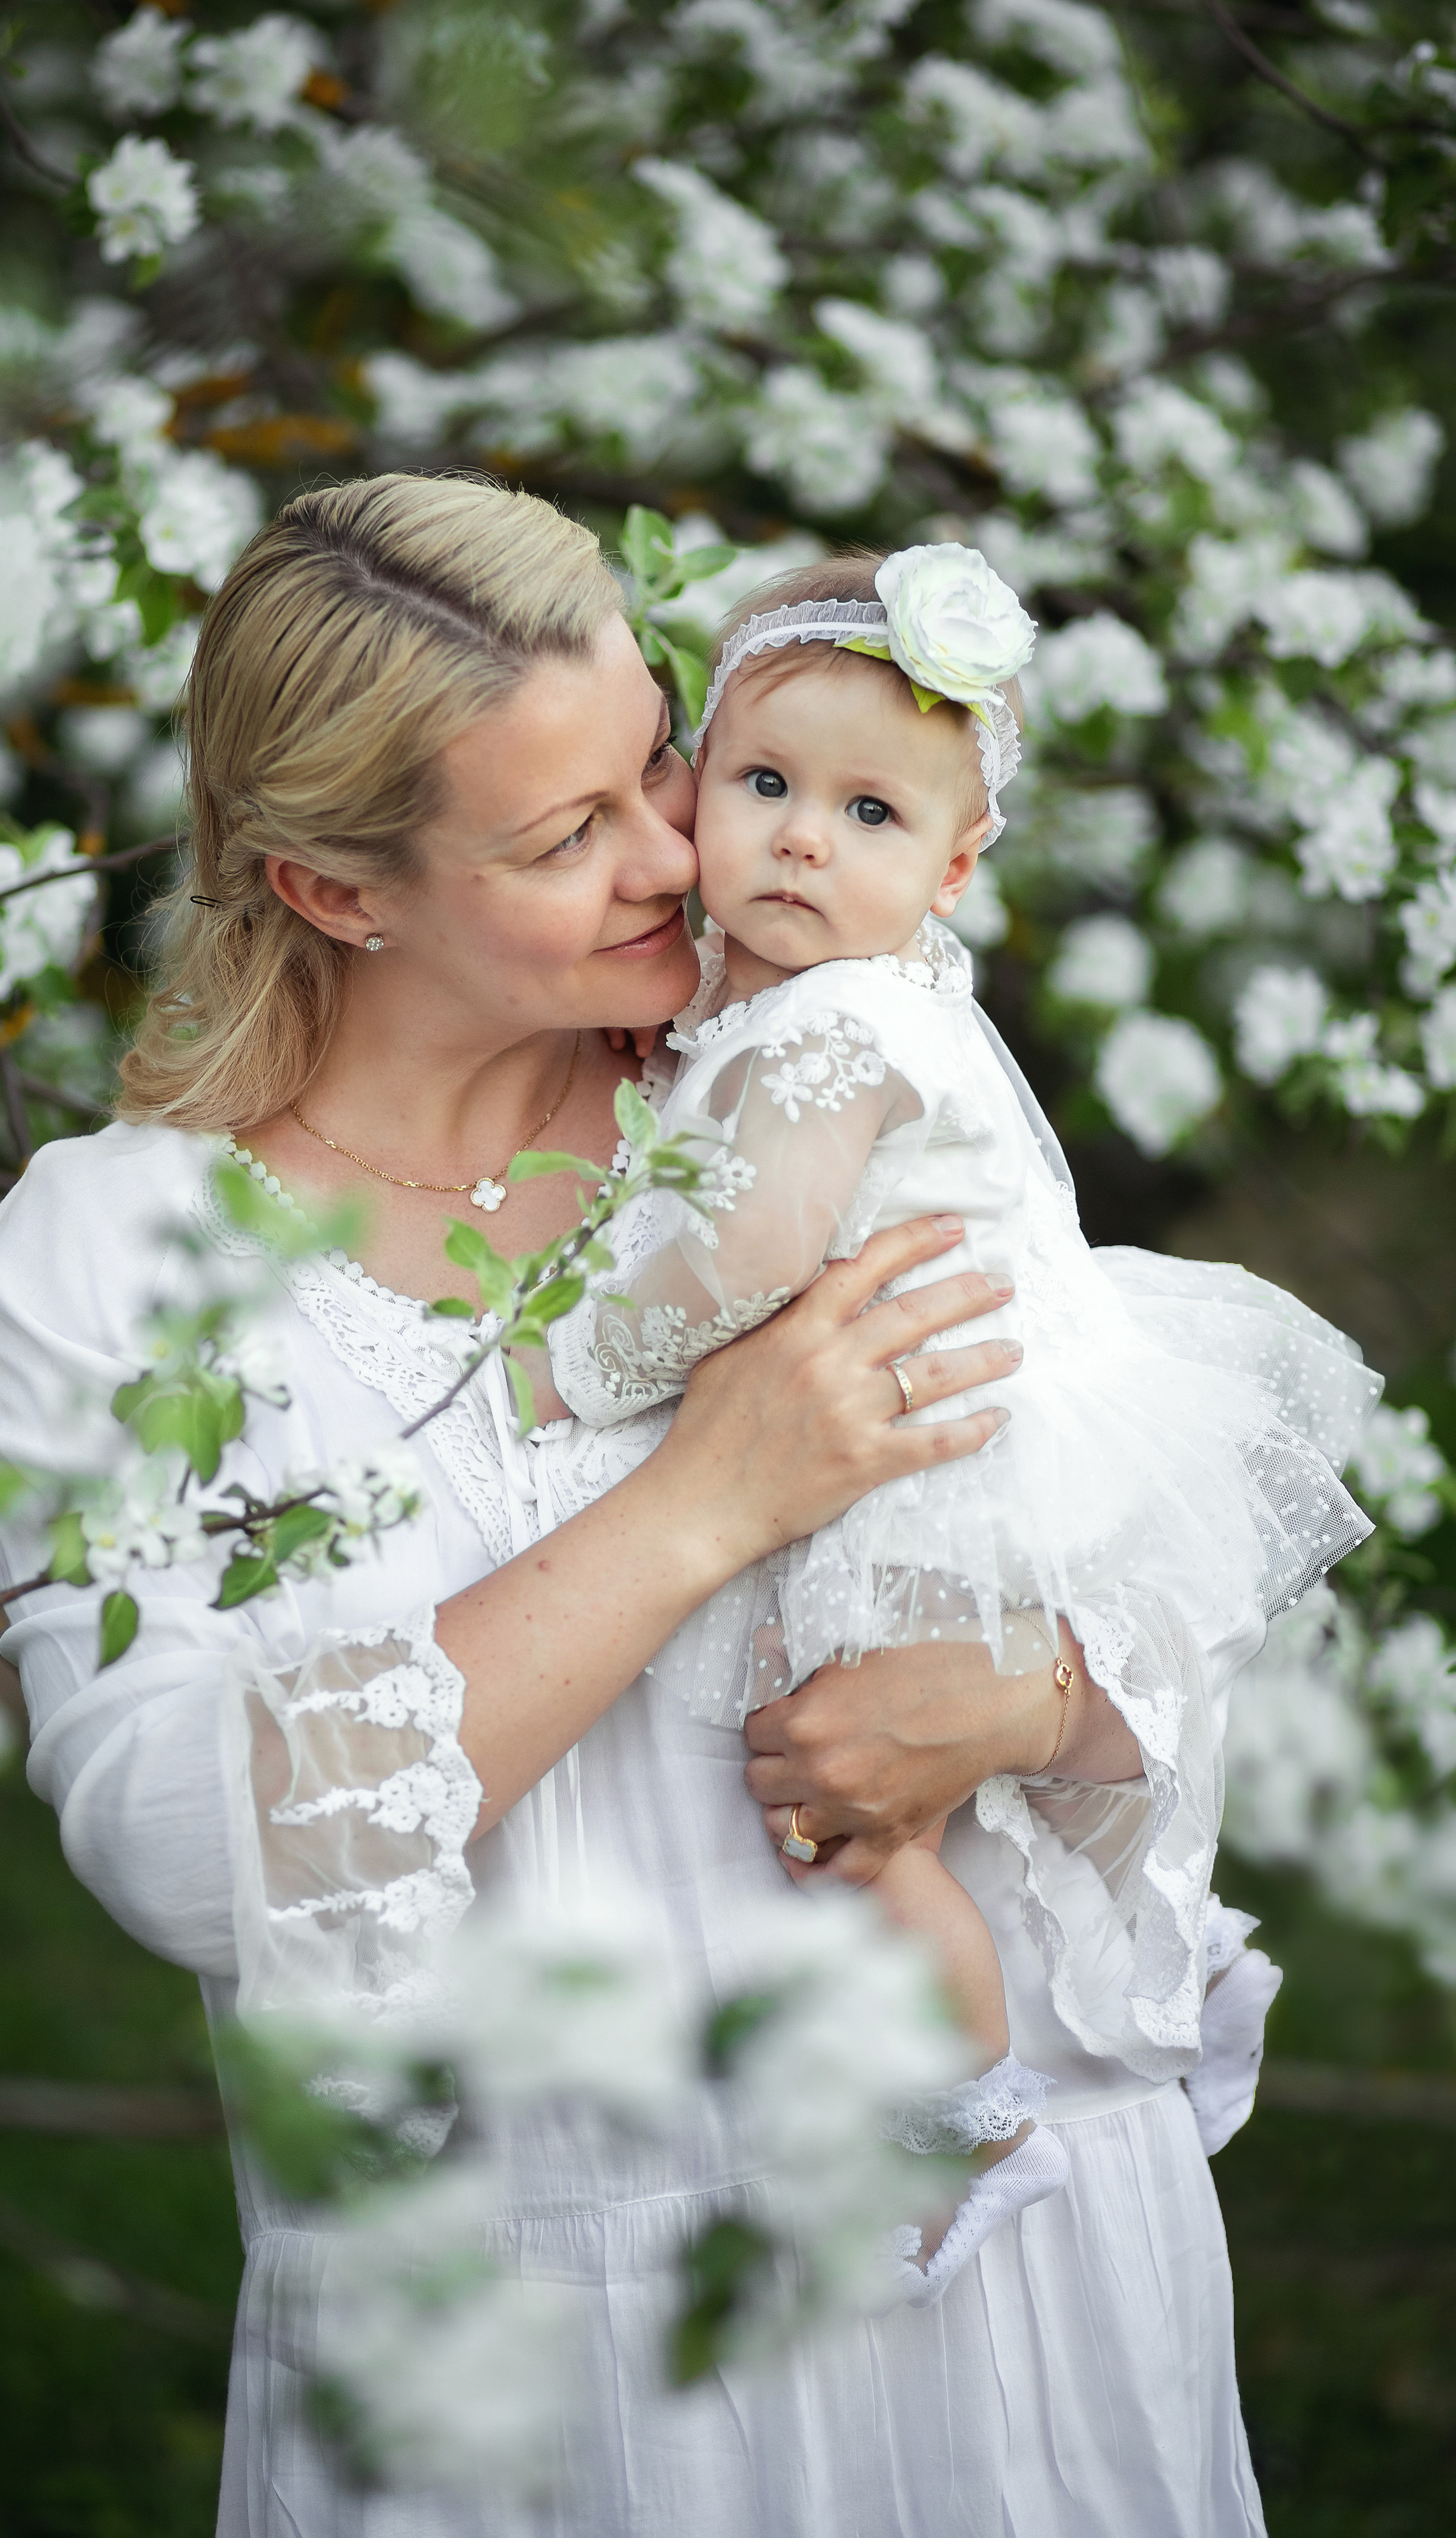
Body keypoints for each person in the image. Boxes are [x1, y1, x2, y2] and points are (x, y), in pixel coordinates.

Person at [0, 471, 1265, 2535]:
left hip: (1005, 2277)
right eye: (570, 838)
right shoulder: (126, 1262)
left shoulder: (803, 1076)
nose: (685, 853)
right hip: (558, 2364)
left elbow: (1146, 1537)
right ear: (334, 890)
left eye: (659, 762)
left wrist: (1032, 1706)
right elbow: (178, 1841)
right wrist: (697, 1505)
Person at [547, 544, 1379, 2302]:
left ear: (954, 863)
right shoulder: (818, 993)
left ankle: (978, 2119)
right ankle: (1160, 1965)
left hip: (937, 1465)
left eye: (865, 812)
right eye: (765, 785)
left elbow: (741, 1253)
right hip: (954, 1427)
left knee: (859, 1821)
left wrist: (583, 1354)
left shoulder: (845, 1019)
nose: (797, 842)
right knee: (878, 1815)